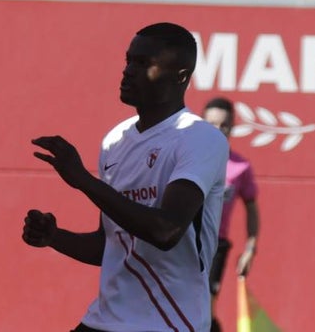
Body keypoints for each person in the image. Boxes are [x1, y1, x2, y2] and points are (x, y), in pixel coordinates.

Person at [23, 22, 229, 332]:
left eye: (144, 63)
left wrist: (82, 179)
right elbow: (113, 246)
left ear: (181, 76)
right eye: (129, 60)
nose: (128, 71)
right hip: (103, 321)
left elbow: (166, 231)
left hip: (168, 323)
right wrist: (53, 237)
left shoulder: (199, 138)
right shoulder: (115, 141)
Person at [202, 97, 260, 332]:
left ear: (232, 127)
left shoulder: (240, 167)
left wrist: (250, 248)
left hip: (216, 245)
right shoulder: (188, 158)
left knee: (206, 306)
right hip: (184, 240)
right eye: (211, 124)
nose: (218, 130)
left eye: (223, 125)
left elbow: (252, 209)